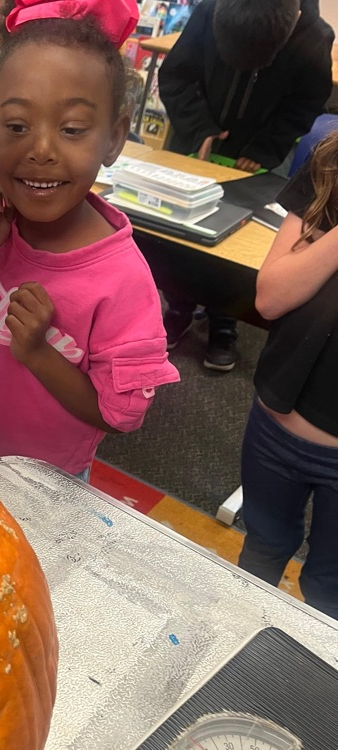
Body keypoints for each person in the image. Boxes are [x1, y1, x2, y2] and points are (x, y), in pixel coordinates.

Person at [0, 0, 180, 480]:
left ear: (113, 138)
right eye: (16, 127)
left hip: (43, 486)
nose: (42, 150)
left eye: (72, 129)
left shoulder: (121, 279)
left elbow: (119, 415)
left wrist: (37, 353)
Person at [157, 0, 334, 371]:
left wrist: (265, 149)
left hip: (260, 153)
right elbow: (175, 75)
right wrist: (199, 128)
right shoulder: (210, 10)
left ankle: (224, 323)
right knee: (181, 230)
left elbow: (305, 105)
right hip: (197, 138)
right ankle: (179, 308)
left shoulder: (314, 37)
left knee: (242, 239)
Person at [237, 130, 338, 620]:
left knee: (329, 590)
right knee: (261, 549)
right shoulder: (330, 164)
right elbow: (270, 296)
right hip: (275, 423)